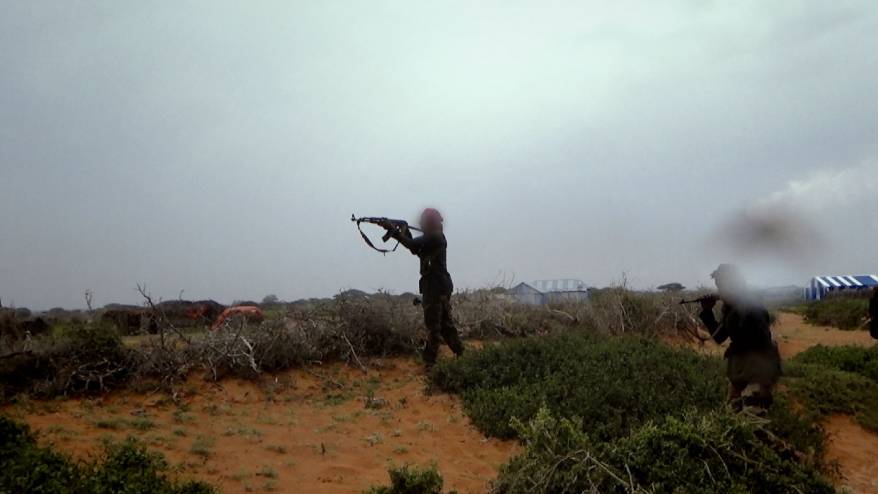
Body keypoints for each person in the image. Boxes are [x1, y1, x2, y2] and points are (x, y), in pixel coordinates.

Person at [383, 208, 463, 368]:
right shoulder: (432, 240)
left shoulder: (436, 237)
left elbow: (413, 245)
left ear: (429, 223)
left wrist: (394, 232)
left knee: (433, 327)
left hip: (435, 287)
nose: (420, 224)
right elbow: (415, 248)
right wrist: (404, 231)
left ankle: (430, 363)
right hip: (437, 286)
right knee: (445, 325)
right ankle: (461, 353)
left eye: (423, 221)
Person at [699, 264, 782, 415]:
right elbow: (719, 337)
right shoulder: (732, 309)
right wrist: (707, 312)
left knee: (754, 420)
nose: (720, 291)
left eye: (722, 286)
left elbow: (761, 342)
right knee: (734, 418)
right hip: (741, 373)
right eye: (718, 286)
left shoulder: (750, 307)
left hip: (756, 373)